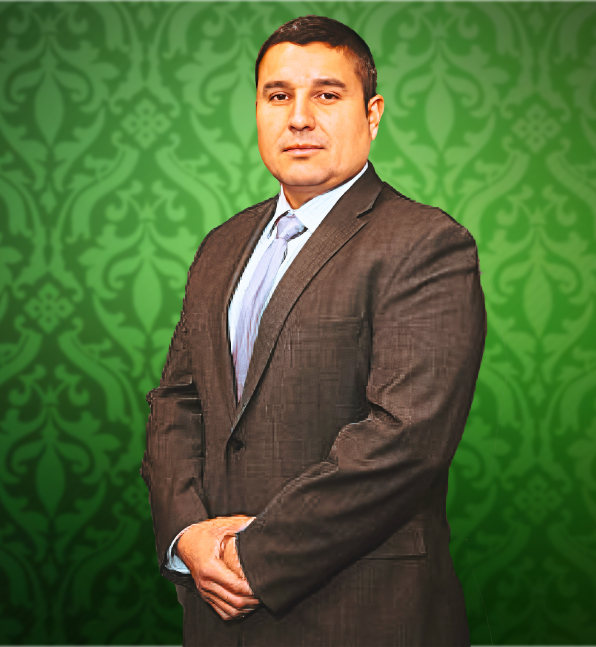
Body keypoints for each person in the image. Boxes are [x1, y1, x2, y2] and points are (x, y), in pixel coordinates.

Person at [140, 14, 486, 646]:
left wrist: (255, 556)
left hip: (363, 612)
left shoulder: (426, 243)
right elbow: (178, 402)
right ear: (257, 110)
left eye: (327, 95)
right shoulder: (221, 245)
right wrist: (187, 534)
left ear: (372, 115)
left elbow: (406, 438)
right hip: (216, 613)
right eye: (278, 96)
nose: (298, 117)